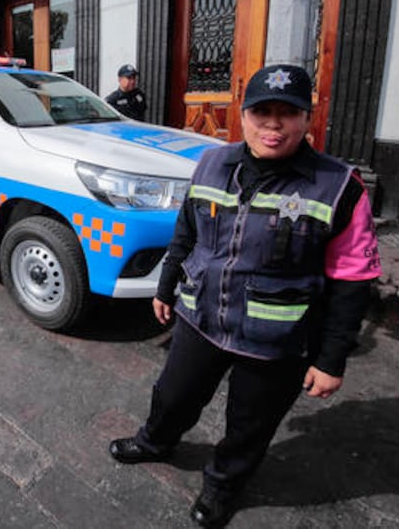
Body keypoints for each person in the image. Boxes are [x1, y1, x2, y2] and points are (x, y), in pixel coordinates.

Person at [108, 64, 381, 527]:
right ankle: (155, 441)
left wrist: (332, 357)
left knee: (250, 425)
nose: (273, 125)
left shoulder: (339, 187)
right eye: (262, 112)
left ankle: (222, 487)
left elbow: (354, 277)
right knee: (173, 394)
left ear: (306, 119)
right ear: (244, 114)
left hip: (278, 338)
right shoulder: (213, 162)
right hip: (200, 316)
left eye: (287, 113)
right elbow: (187, 229)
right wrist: (167, 283)